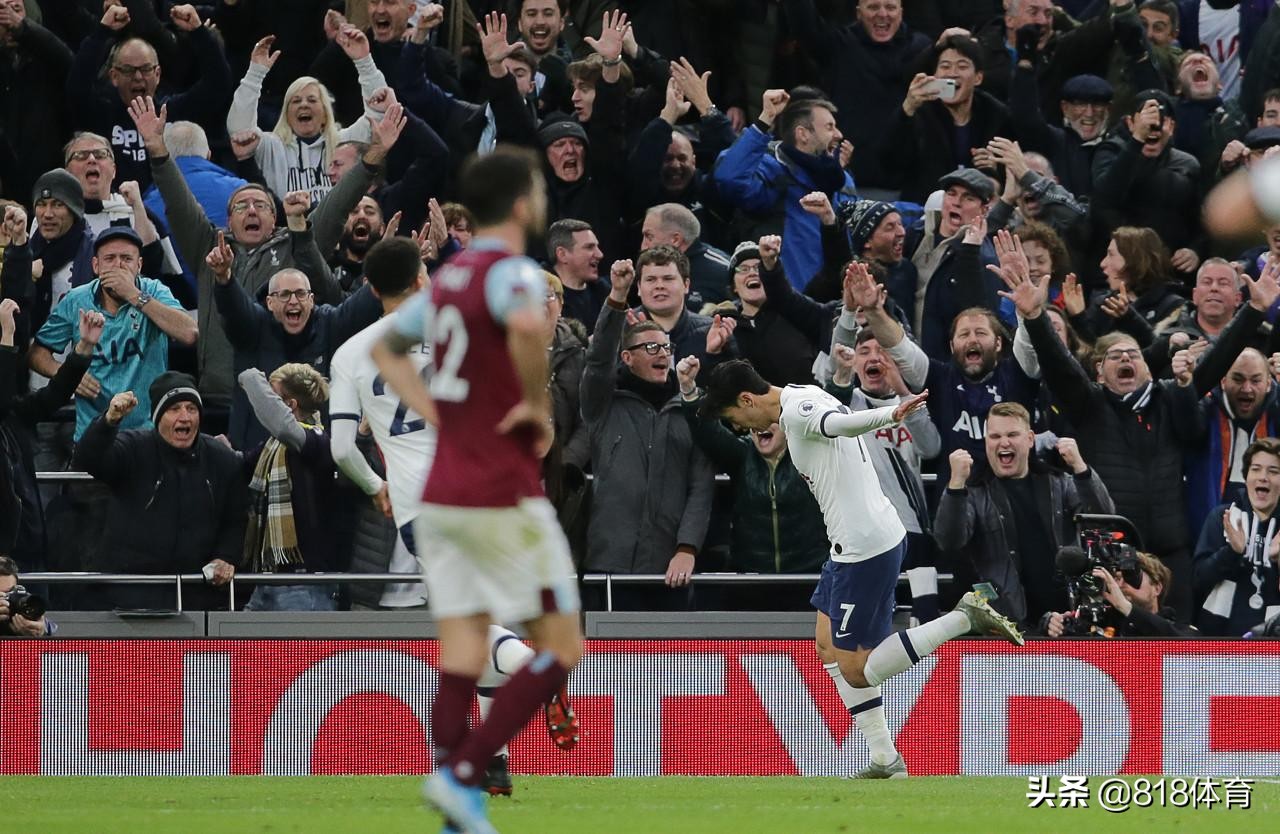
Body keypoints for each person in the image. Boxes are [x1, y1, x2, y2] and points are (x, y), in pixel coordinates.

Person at [373, 146, 582, 834]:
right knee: (559, 646)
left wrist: (436, 412)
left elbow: (385, 349)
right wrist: (528, 402)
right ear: (524, 204)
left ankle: (455, 794)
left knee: (463, 651)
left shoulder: (449, 281)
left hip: (440, 493)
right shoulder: (513, 274)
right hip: (502, 489)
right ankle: (462, 775)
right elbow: (526, 331)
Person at [332, 237, 577, 797]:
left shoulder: (352, 353)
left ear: (371, 289)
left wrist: (376, 486)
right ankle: (494, 759)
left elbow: (342, 448)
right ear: (423, 278)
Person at [698, 358, 1022, 780]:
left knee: (858, 668)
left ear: (746, 399)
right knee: (826, 647)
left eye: (734, 417)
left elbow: (840, 424)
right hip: (850, 543)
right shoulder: (799, 394)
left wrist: (891, 413)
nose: (740, 427)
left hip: (863, 546)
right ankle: (885, 758)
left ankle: (963, 617)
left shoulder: (798, 411)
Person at [579, 259, 716, 611]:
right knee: (606, 665)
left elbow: (701, 486)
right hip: (608, 565)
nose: (662, 355)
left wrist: (687, 548)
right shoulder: (603, 406)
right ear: (627, 357)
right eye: (651, 348)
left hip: (670, 568)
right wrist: (618, 297)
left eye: (666, 348)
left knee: (670, 666)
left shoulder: (691, 409)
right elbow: (597, 362)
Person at [71, 371, 245, 611]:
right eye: (174, 409)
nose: (185, 417)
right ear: (158, 416)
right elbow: (87, 460)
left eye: (191, 409)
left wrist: (226, 556)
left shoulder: (223, 460)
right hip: (128, 593)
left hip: (194, 595)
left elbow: (235, 520)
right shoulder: (133, 448)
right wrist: (108, 421)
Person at [934, 402, 1115, 627]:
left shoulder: (1059, 483)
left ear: (1030, 439)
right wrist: (955, 485)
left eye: (1012, 434)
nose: (1004, 442)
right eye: (995, 436)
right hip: (1006, 625)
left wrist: (1080, 467)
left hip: (1067, 618)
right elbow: (948, 541)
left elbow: (1104, 520)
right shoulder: (973, 492)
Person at [28, 226, 197, 440]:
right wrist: (67, 375)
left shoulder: (153, 291)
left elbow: (190, 333)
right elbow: (36, 354)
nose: (118, 265)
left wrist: (133, 294)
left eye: (127, 258)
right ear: (96, 266)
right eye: (110, 259)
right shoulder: (76, 299)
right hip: (92, 436)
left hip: (149, 434)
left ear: (139, 265)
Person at [714, 89, 857, 288]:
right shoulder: (773, 169)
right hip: (787, 301)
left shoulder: (843, 181)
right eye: (830, 127)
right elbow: (731, 180)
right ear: (803, 134)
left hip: (837, 305)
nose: (839, 134)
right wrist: (764, 121)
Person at [1, 300, 102, 572]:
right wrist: (6, 337)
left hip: (28, 548)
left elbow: (53, 396)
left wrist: (83, 349)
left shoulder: (14, 415)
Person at [237, 365, 343, 611]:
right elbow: (238, 463)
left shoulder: (319, 442)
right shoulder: (272, 447)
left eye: (273, 396)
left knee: (306, 651)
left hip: (306, 585)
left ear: (291, 405)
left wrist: (251, 377)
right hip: (267, 579)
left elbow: (284, 426)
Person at [1194, 437, 1280, 635]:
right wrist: (1231, 552)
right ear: (1246, 475)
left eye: (1273, 471)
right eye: (1256, 469)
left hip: (1273, 646)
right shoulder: (1222, 517)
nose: (1263, 477)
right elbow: (1198, 582)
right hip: (1218, 643)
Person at [1042, 549, 1196, 636]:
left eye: (1131, 577)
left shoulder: (1177, 628)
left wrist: (1126, 607)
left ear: (1157, 588)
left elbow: (1190, 646)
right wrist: (1050, 624)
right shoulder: (1103, 623)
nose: (1121, 584)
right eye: (1116, 578)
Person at [639, 203, 732, 305]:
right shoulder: (646, 269)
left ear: (675, 239)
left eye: (649, 236)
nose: (643, 246)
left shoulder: (725, 271)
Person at [545, 218, 608, 329]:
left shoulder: (603, 291)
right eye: (589, 247)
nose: (600, 254)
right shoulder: (542, 297)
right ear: (562, 254)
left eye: (597, 247)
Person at [0, 555, 54, 637]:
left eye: (8, 593)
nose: (3, 601)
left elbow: (49, 630)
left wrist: (40, 633)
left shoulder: (24, 608)